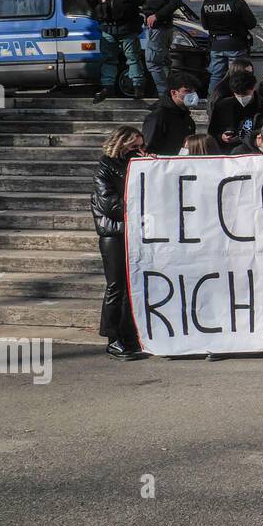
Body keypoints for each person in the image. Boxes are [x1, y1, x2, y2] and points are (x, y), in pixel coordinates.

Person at [92, 126, 148, 360]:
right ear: (121, 144)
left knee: (131, 286)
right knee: (116, 286)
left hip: (132, 231)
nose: (138, 150)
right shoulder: (106, 168)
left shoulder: (135, 163)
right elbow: (110, 205)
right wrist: (141, 204)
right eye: (133, 146)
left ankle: (128, 335)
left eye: (140, 146)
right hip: (114, 234)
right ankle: (113, 338)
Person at [91, 0, 147, 102]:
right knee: (109, 59)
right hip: (108, 30)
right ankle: (107, 87)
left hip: (126, 28)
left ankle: (137, 86)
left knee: (132, 57)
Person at [200, 0, 258, 93]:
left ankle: (213, 102)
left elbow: (205, 25)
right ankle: (236, 101)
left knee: (216, 76)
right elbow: (252, 23)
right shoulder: (237, 2)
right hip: (235, 45)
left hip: (216, 45)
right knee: (237, 76)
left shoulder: (207, 2)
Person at [209, 71, 263, 153]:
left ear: (253, 88)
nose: (242, 98)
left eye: (245, 94)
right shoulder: (222, 106)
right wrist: (221, 137)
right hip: (227, 151)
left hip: (253, 152)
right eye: (238, 95)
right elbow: (212, 132)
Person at [141, 0, 182, 98]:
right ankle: (169, 94)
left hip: (159, 28)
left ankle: (163, 95)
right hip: (160, 28)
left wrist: (157, 16)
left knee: (153, 62)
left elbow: (176, 0)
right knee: (163, 62)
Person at [142, 72, 199, 155]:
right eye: (187, 91)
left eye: (194, 91)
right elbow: (148, 148)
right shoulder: (158, 116)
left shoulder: (186, 118)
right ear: (174, 93)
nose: (192, 95)